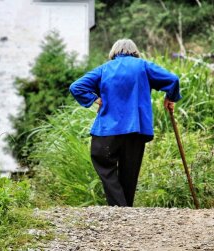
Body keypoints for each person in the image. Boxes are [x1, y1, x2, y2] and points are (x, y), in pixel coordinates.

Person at [69, 39, 181, 207]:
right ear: (135, 52)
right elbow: (173, 79)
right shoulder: (143, 66)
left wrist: (94, 99)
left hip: (107, 131)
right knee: (129, 172)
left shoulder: (104, 69)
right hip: (136, 130)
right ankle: (125, 211)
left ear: (114, 52)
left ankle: (120, 210)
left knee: (103, 163)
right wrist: (170, 97)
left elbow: (76, 86)